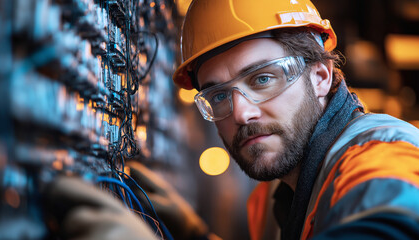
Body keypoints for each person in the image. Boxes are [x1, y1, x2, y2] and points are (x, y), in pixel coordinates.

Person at [47, 0, 419, 239]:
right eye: (219, 95)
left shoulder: (382, 162)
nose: (241, 113)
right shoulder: (270, 199)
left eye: (262, 79)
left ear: (320, 76)